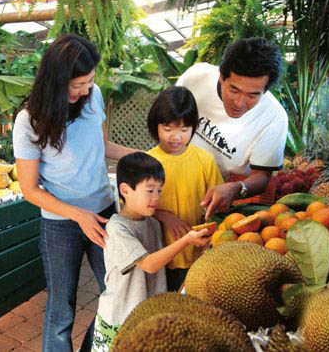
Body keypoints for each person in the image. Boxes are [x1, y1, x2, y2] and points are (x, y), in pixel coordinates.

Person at [13, 34, 135, 352]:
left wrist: (140, 156)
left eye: (89, 81)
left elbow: (102, 145)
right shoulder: (29, 121)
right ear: (56, 81)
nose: (85, 89)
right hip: (60, 224)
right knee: (61, 306)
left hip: (104, 213)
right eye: (77, 84)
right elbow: (29, 189)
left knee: (119, 289)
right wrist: (77, 215)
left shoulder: (93, 97)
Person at [92, 152, 210, 351]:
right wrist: (186, 241)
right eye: (149, 191)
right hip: (119, 317)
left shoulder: (153, 224)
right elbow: (149, 264)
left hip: (148, 317)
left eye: (159, 191)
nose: (155, 198)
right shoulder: (117, 228)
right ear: (125, 190)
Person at [176, 37, 288, 219]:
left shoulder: (274, 118)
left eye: (253, 95)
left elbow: (262, 177)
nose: (239, 103)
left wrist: (237, 188)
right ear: (221, 76)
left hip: (213, 202)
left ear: (265, 90)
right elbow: (168, 118)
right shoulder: (197, 77)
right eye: (234, 90)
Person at [146, 86, 224, 291]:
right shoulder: (147, 162)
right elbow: (131, 209)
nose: (176, 137)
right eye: (168, 128)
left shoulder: (204, 160)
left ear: (193, 128)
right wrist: (162, 215)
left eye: (183, 129)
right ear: (156, 126)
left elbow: (217, 206)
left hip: (197, 254)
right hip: (159, 255)